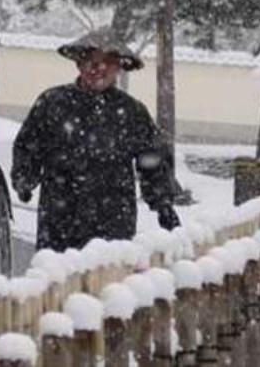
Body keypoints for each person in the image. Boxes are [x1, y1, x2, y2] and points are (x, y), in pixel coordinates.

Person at [10, 30, 181, 253]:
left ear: (119, 68)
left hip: (114, 218)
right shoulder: (53, 103)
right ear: (79, 65)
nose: (97, 68)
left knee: (111, 283)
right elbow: (29, 145)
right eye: (90, 61)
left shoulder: (131, 112)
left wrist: (163, 203)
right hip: (59, 215)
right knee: (57, 280)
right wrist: (25, 177)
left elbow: (151, 159)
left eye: (107, 63)